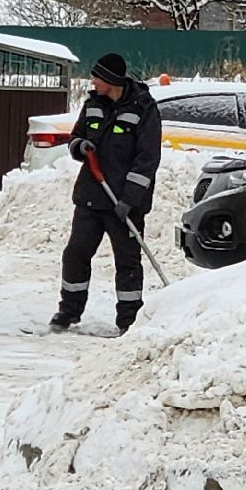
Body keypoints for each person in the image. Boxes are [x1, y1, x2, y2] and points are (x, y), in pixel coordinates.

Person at [51, 53, 161, 335]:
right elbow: (75, 138)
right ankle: (68, 311)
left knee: (127, 263)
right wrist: (80, 146)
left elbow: (147, 160)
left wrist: (130, 200)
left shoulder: (143, 109)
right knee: (75, 254)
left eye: (97, 76)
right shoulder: (92, 105)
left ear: (111, 80)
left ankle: (129, 320)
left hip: (124, 203)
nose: (93, 81)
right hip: (91, 196)